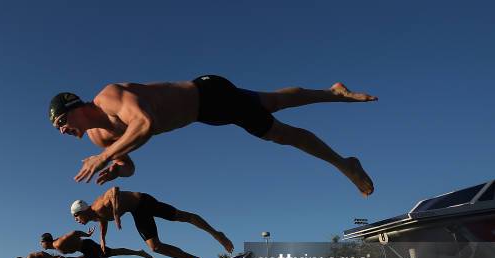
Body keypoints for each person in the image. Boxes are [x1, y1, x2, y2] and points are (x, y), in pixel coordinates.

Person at [49, 76, 376, 196]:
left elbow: (144, 124)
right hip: (206, 113)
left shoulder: (109, 96)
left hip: (207, 93)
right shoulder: (98, 139)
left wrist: (104, 158)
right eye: (57, 129)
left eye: (62, 121)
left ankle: (344, 163)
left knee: (278, 132)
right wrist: (119, 169)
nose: (62, 130)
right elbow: (130, 165)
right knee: (275, 101)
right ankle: (333, 92)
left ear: (77, 105)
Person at [70, 187, 234, 258]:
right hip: (138, 212)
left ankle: (216, 234)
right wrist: (103, 241)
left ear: (82, 211)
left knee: (183, 217)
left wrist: (116, 213)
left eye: (76, 217)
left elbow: (113, 190)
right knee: (155, 247)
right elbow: (103, 221)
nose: (76, 220)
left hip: (143, 201)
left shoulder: (98, 206)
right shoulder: (94, 216)